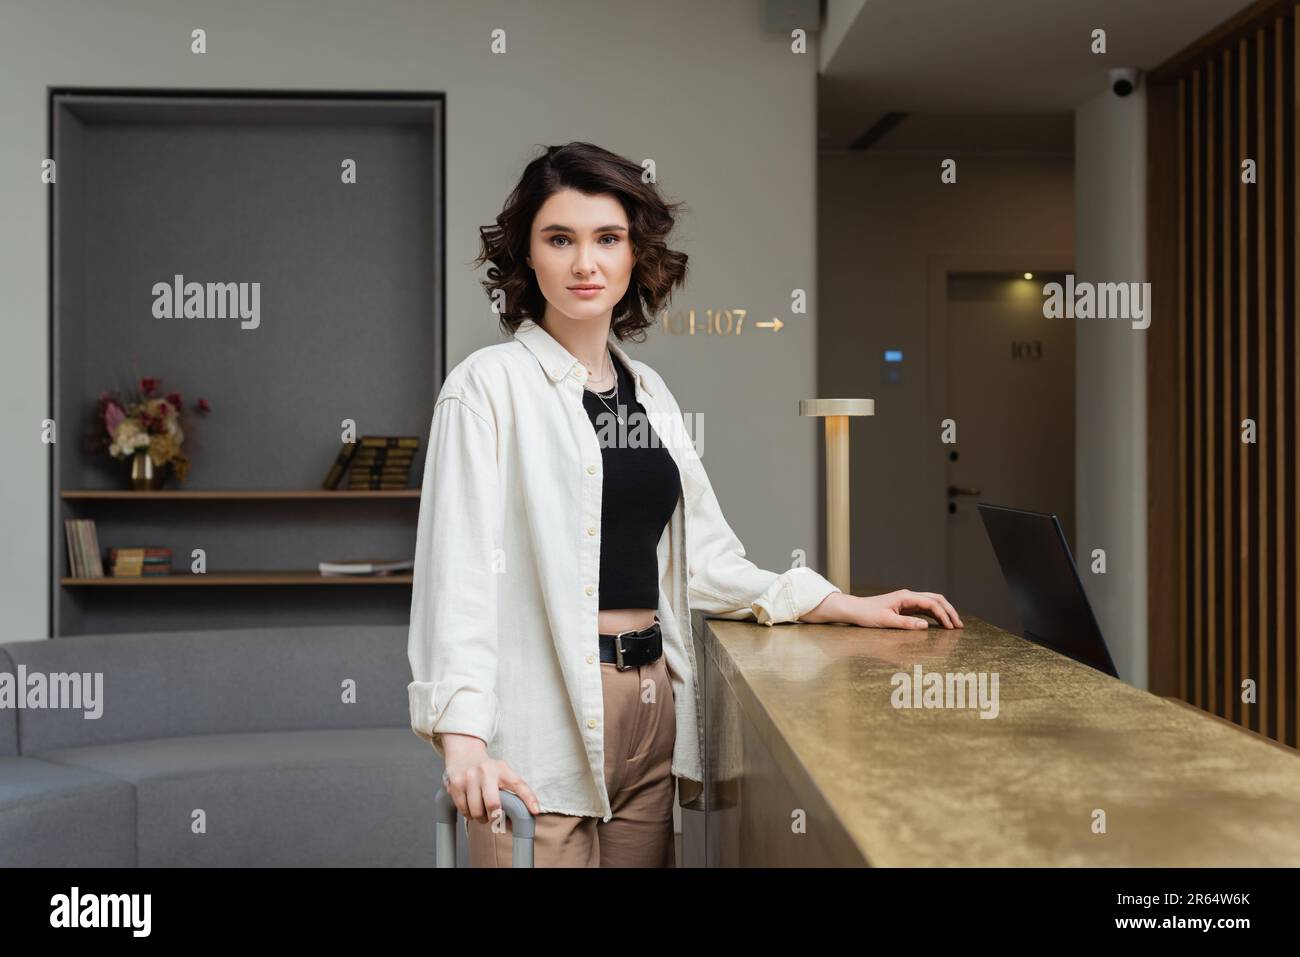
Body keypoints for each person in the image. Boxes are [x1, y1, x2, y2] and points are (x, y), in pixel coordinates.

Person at [407, 142, 962, 868]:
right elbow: (459, 577)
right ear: (527, 257)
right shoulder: (486, 389)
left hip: (651, 708)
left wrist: (839, 603)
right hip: (539, 718)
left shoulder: (649, 394)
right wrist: (463, 742)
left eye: (607, 239)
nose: (585, 263)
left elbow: (707, 560)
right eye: (560, 239)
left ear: (635, 255)